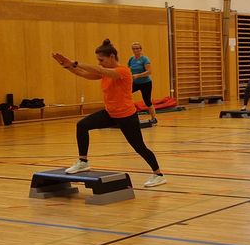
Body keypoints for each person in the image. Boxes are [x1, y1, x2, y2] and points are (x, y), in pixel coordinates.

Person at [52, 39, 165, 187]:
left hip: (126, 116)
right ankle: (83, 161)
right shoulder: (105, 73)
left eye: (101, 59)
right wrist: (67, 66)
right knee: (82, 125)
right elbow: (83, 73)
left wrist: (74, 62)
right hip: (110, 114)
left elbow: (99, 70)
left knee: (139, 146)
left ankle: (158, 174)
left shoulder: (123, 71)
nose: (99, 63)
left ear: (112, 56)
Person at [127, 42, 157, 123]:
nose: (135, 50)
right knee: (125, 94)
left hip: (146, 83)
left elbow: (149, 72)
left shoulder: (145, 59)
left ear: (140, 49)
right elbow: (128, 70)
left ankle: (154, 118)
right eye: (134, 48)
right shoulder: (131, 59)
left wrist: (138, 75)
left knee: (147, 101)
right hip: (135, 83)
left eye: (137, 48)